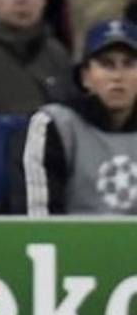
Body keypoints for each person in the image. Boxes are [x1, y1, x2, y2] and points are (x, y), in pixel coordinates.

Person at [21, 18, 137, 214]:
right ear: (85, 76)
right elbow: (40, 220)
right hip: (72, 244)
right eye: (107, 64)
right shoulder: (54, 125)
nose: (118, 76)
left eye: (128, 64)